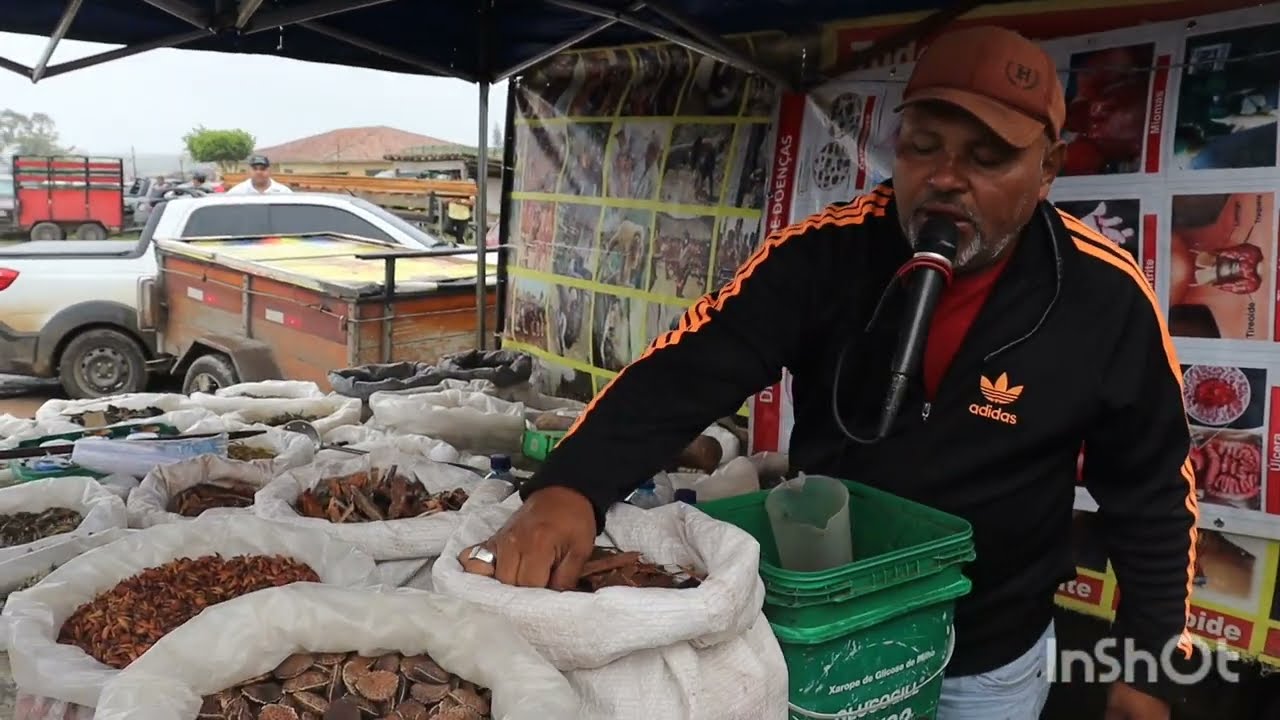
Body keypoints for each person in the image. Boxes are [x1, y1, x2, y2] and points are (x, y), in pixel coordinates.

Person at [476, 25, 1199, 720]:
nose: (946, 179)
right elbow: (689, 366)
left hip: (991, 661)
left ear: (1048, 169)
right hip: (831, 638)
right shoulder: (822, 255)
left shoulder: (1105, 298)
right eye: (924, 147)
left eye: (987, 158)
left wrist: (1149, 667)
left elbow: (1154, 494)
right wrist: (572, 486)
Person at [226, 155, 291, 194]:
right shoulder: (237, 192)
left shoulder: (284, 192)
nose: (258, 172)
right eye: (255, 169)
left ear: (270, 171)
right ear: (249, 171)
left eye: (263, 169)